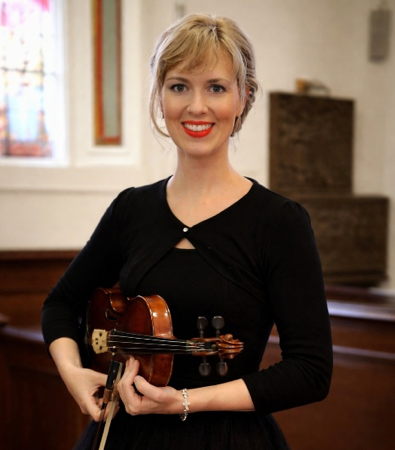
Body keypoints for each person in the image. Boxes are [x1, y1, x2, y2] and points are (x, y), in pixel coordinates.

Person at [42, 13, 333, 450]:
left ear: (243, 97)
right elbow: (61, 304)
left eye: (216, 87)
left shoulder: (279, 221)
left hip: (228, 439)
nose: (196, 106)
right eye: (179, 86)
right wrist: (74, 373)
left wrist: (183, 400)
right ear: (161, 98)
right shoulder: (132, 208)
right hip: (125, 437)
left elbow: (311, 370)